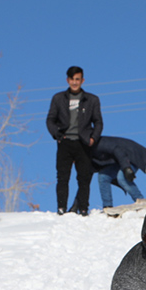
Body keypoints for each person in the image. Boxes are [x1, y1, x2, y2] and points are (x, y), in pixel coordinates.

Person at [45, 66, 103, 216]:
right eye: (72, 79)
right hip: (65, 141)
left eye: (78, 79)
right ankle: (61, 208)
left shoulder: (92, 100)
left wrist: (93, 138)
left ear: (82, 80)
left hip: (83, 143)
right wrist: (57, 134)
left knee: (84, 177)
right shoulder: (58, 98)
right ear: (67, 80)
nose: (75, 82)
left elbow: (98, 122)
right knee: (62, 177)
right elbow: (50, 119)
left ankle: (83, 208)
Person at [91, 136, 146, 210]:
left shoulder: (98, 144)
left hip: (133, 154)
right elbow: (85, 178)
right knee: (103, 176)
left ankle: (141, 201)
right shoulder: (85, 156)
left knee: (122, 178)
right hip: (120, 160)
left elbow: (118, 150)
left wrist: (126, 168)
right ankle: (107, 206)